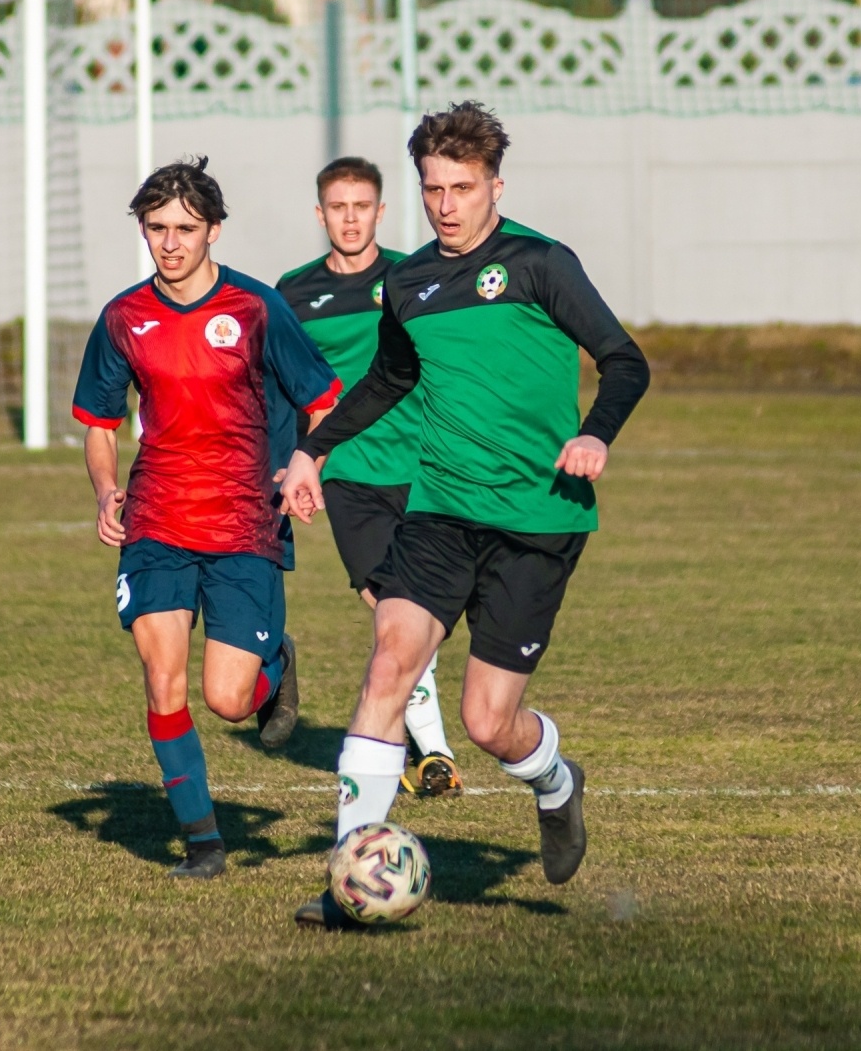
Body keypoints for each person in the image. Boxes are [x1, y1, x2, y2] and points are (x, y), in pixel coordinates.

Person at [278, 103, 650, 929]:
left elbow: (626, 360)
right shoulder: (408, 284)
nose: (446, 204)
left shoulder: (539, 263)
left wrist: (594, 432)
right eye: (434, 188)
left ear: (495, 186)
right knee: (387, 665)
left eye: (463, 187)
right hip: (439, 509)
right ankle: (352, 881)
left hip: (535, 518)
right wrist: (315, 450)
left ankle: (556, 780)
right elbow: (387, 378)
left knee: (488, 721)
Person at [72, 157, 341, 880]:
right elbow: (99, 423)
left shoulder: (256, 309)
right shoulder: (124, 317)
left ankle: (274, 663)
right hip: (156, 519)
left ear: (213, 230)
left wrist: (308, 464)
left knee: (227, 698)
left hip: (242, 521)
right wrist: (105, 490)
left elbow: (322, 398)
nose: (170, 242)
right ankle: (203, 842)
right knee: (163, 680)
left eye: (185, 228)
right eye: (157, 228)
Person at [275, 156, 463, 800]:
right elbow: (286, 387)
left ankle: (419, 742)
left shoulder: (417, 279)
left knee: (417, 613)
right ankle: (434, 751)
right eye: (338, 206)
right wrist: (297, 459)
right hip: (349, 473)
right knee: (391, 607)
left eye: (362, 206)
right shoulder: (293, 295)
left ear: (381, 212)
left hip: (426, 468)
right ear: (320, 213)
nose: (350, 218)